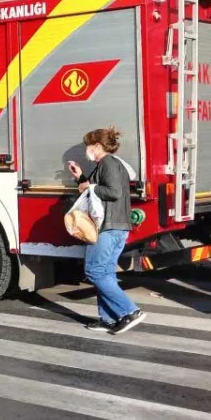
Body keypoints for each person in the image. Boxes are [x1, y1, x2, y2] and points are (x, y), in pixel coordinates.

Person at [69, 127, 146, 335]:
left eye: (88, 145)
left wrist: (90, 188)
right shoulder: (107, 164)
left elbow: (113, 192)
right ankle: (108, 318)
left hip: (109, 227)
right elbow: (95, 189)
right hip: (115, 227)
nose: (86, 149)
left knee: (94, 271)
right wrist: (81, 179)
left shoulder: (109, 163)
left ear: (97, 146)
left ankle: (130, 311)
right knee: (105, 273)